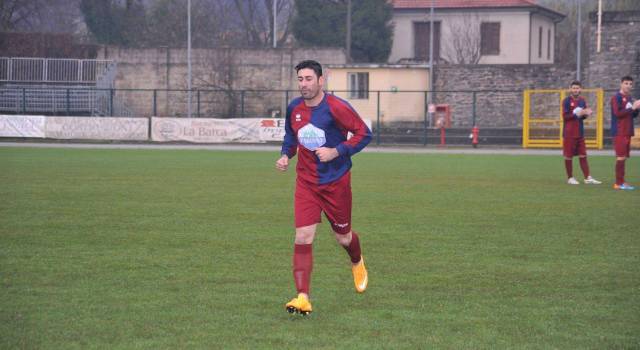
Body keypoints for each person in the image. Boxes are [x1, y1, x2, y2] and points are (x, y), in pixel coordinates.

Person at [275, 60, 372, 315]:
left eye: (308, 79)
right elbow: (290, 136)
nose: (303, 84)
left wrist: (336, 151)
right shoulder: (294, 108)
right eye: (300, 79)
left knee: (343, 237)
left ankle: (356, 260)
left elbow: (364, 134)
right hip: (306, 183)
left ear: (321, 80)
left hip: (335, 183)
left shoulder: (336, 107)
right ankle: (302, 297)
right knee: (303, 237)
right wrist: (286, 154)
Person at [561, 81, 601, 185]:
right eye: (574, 88)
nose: (575, 90)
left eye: (577, 88)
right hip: (569, 133)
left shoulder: (582, 100)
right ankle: (570, 178)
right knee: (568, 156)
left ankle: (587, 177)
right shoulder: (566, 101)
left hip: (580, 133)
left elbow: (582, 116)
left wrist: (586, 114)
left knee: (583, 155)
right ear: (570, 89)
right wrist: (579, 113)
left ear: (580, 89)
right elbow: (565, 117)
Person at [610, 75, 640, 190]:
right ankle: (618, 183)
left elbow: (632, 115)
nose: (628, 86)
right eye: (626, 83)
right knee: (620, 157)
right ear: (621, 84)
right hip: (619, 131)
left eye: (630, 84)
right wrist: (632, 108)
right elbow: (618, 114)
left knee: (623, 157)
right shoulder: (616, 98)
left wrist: (636, 109)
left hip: (627, 131)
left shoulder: (629, 98)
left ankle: (622, 181)